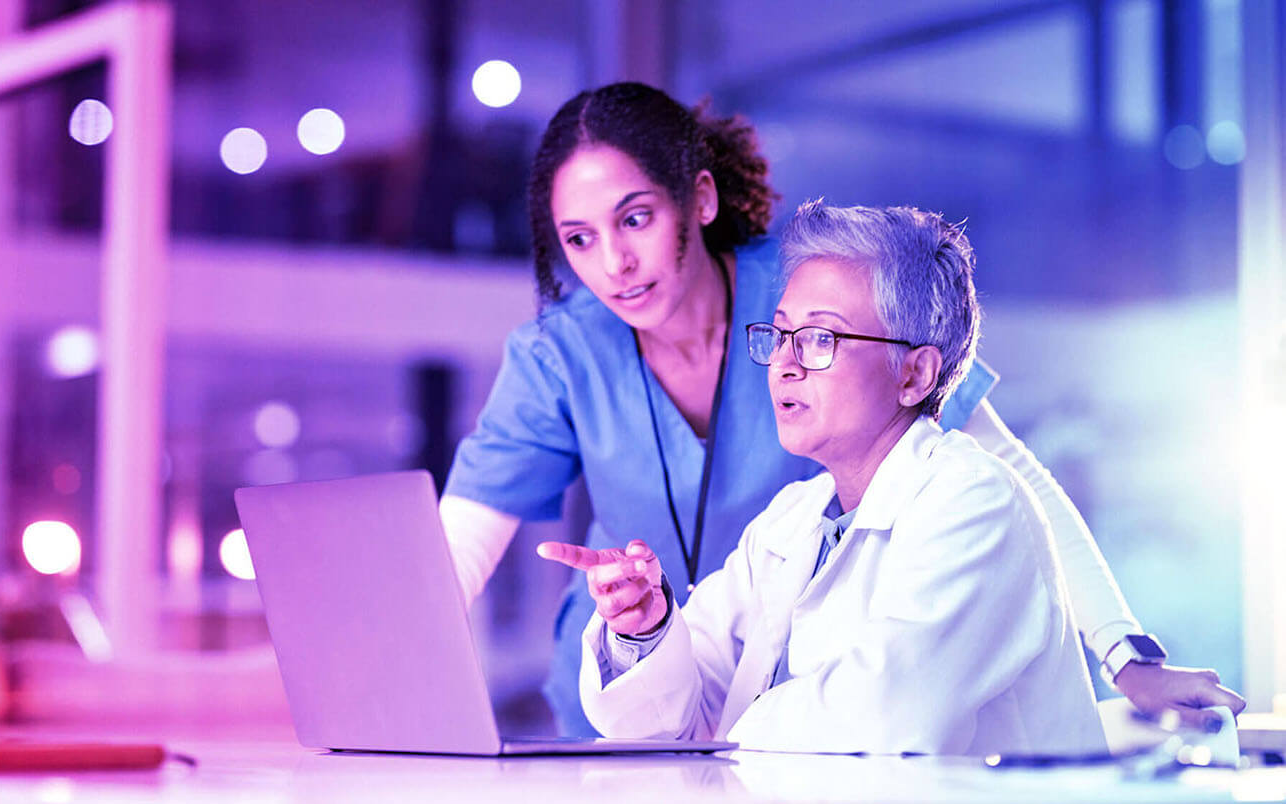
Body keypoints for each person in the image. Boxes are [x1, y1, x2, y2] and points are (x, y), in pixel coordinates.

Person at [439, 81, 1244, 737]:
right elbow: (455, 556)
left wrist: (1124, 654)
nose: (613, 264)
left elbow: (1012, 478)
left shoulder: (817, 296)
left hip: (800, 715)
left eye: (636, 219)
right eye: (577, 240)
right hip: (661, 693)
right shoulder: (564, 355)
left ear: (701, 201)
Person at [542, 201, 1105, 754]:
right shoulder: (793, 519)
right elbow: (680, 709)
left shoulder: (974, 502)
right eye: (781, 334)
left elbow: (887, 716)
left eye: (819, 339)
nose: (785, 362)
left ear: (914, 374)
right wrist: (646, 631)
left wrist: (722, 739)